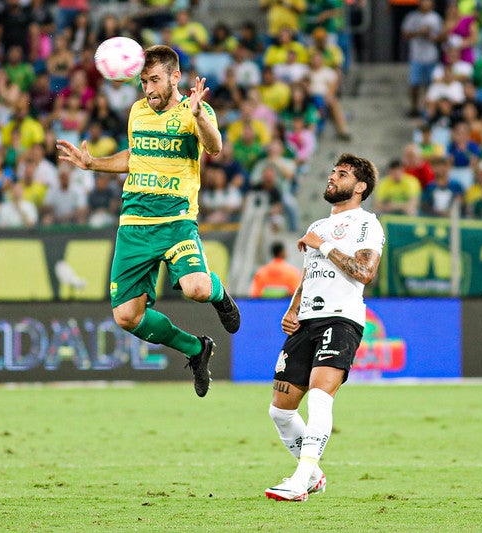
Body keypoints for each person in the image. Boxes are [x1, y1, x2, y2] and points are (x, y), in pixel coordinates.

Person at [57, 45, 241, 398]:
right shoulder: (138, 111)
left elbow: (214, 147)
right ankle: (196, 349)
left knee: (196, 289)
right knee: (126, 316)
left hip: (176, 222)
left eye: (155, 80)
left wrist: (200, 115)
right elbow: (135, 156)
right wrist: (93, 163)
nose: (149, 89)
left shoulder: (194, 112)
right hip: (134, 224)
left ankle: (221, 295)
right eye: (143, 81)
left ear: (175, 77)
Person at [265, 153, 384, 502]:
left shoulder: (366, 224)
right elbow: (310, 273)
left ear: (360, 187)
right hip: (307, 322)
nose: (332, 177)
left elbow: (365, 272)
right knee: (280, 410)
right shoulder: (316, 225)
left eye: (342, 174)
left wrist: (325, 244)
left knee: (319, 397)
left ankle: (300, 481)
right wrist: (293, 307)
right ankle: (315, 475)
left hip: (341, 318)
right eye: (332, 172)